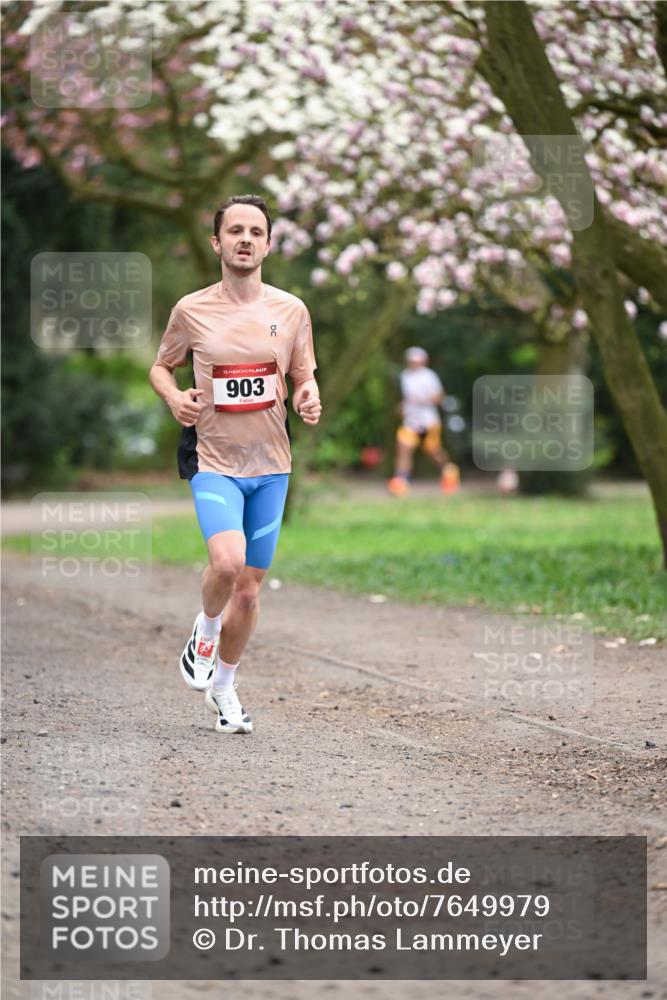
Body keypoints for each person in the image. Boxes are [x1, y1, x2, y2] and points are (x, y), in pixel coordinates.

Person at [149, 195, 321, 734]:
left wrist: (308, 396)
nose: (245, 239)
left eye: (256, 232)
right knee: (227, 564)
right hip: (213, 459)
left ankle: (224, 688)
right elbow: (161, 367)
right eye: (235, 231)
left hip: (272, 465)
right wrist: (174, 398)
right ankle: (204, 631)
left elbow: (303, 376)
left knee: (248, 589)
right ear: (217, 243)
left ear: (267, 245)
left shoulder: (291, 311)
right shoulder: (191, 309)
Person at [388, 346, 459, 497]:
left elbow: (439, 396)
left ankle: (449, 470)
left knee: (433, 450)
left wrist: (422, 401)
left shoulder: (429, 376)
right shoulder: (405, 376)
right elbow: (408, 399)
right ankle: (401, 481)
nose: (413, 364)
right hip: (411, 420)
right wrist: (403, 407)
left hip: (428, 420)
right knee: (403, 447)